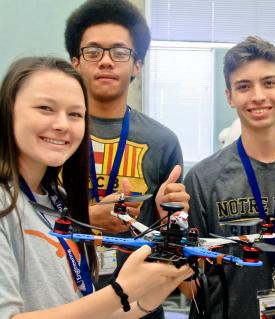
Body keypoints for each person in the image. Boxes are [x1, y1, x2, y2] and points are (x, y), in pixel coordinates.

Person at [0, 56, 192, 319]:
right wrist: (121, 291)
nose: (62, 124)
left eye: (75, 114)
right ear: (9, 111)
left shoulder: (56, 199)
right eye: (45, 108)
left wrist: (147, 297)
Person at [183, 36, 275, 319]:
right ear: (229, 96)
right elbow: (190, 288)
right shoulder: (203, 179)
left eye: (269, 83)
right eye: (244, 86)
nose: (257, 96)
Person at [64, 0, 190, 305]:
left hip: (139, 304)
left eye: (120, 52)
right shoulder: (55, 134)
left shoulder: (162, 141)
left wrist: (170, 219)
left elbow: (171, 245)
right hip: (63, 298)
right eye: (93, 51)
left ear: (138, 64)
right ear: (75, 62)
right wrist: (88, 219)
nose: (106, 61)